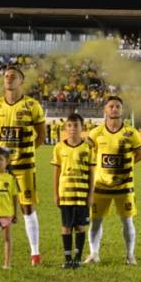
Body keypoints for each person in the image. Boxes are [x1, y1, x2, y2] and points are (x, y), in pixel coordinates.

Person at [0, 66, 47, 266]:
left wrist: (26, 151)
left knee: (27, 207)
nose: (9, 78)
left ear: (21, 81)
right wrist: (1, 156)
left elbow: (41, 136)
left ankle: (35, 254)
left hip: (24, 166)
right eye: (6, 76)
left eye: (14, 76)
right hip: (0, 168)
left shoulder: (32, 105)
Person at [84, 96, 141, 265]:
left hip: (124, 185)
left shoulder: (131, 132)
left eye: (117, 106)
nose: (114, 109)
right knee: (96, 221)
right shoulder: (96, 133)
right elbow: (89, 155)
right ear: (105, 109)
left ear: (122, 110)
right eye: (111, 106)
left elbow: (139, 155)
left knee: (127, 220)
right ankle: (94, 254)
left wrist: (125, 167)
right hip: (100, 185)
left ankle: (130, 255)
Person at [51, 114, 94, 269]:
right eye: (70, 125)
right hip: (65, 194)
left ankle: (77, 258)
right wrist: (56, 194)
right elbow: (56, 172)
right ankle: (68, 258)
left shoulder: (88, 147)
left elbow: (92, 173)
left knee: (80, 226)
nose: (73, 129)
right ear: (65, 127)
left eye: (76, 125)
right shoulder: (59, 147)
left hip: (82, 194)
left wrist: (91, 194)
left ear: (82, 127)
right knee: (66, 226)